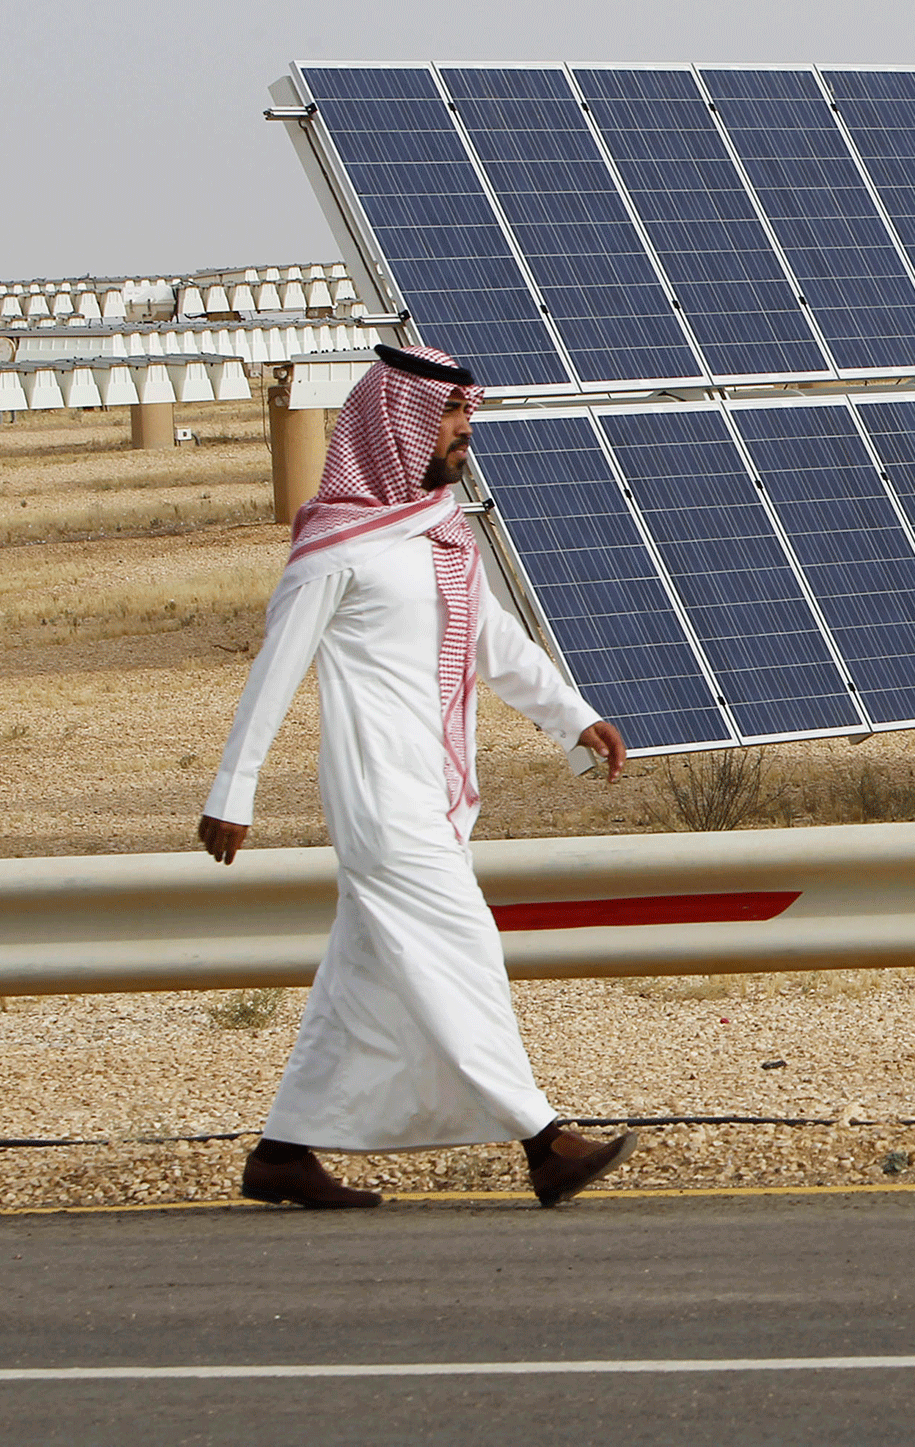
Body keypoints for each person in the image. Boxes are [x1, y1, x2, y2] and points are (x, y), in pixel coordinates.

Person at [199, 343, 637, 1210]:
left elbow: (495, 643)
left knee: (363, 977)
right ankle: (545, 1142)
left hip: (436, 791)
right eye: (451, 417)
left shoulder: (440, 531)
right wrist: (232, 790)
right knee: (462, 945)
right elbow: (274, 672)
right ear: (400, 426)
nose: (465, 432)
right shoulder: (337, 547)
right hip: (377, 794)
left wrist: (571, 714)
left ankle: (281, 1154)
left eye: (467, 416)